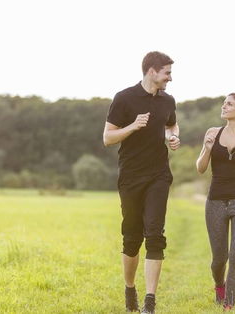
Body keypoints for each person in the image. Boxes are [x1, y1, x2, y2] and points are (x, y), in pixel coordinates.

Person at [103, 51, 180, 314]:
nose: (170, 78)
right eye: (167, 72)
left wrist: (172, 137)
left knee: (155, 235)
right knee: (132, 238)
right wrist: (133, 126)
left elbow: (172, 125)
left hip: (159, 175)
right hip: (131, 177)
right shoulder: (124, 98)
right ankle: (130, 290)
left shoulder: (168, 101)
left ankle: (150, 301)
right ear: (152, 71)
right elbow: (108, 137)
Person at [196, 92, 235, 311]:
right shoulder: (213, 132)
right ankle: (218, 285)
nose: (224, 106)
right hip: (216, 202)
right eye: (224, 103)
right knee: (219, 259)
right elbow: (200, 168)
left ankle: (229, 305)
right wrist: (206, 147)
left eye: (229, 104)